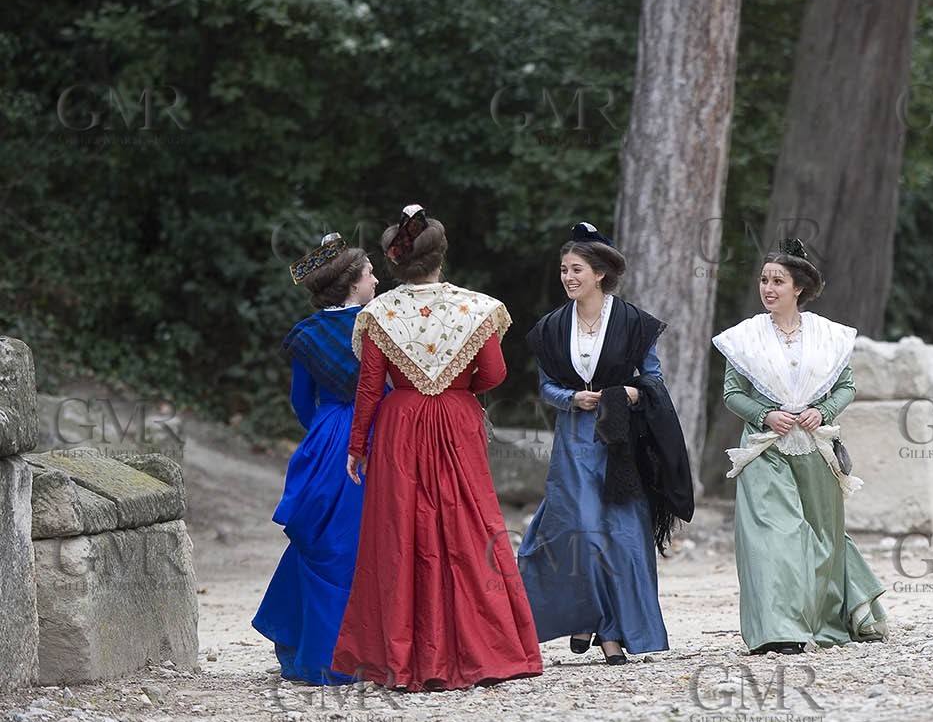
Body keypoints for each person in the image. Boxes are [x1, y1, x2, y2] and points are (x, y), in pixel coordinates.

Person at [331, 205, 543, 690]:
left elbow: (369, 387)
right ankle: (485, 650)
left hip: (400, 424)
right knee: (468, 525)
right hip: (455, 420)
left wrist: (357, 445)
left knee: (402, 531)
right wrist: (457, 383)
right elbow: (494, 375)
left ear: (394, 263)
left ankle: (403, 659)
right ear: (440, 255)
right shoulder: (478, 308)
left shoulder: (377, 313)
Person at [517, 223, 694, 666]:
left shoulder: (634, 323)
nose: (568, 277)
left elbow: (652, 378)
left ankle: (614, 633)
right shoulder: (552, 328)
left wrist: (632, 394)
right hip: (575, 443)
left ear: (599, 273)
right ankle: (588, 616)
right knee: (582, 533)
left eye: (577, 269)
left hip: (621, 443)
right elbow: (546, 388)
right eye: (563, 270)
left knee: (623, 536)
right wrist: (571, 397)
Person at [712, 239, 887, 655]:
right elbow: (731, 393)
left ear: (799, 288)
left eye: (778, 281)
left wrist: (822, 411)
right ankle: (775, 629)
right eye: (764, 280)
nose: (768, 288)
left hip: (815, 447)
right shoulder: (743, 339)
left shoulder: (830, 337)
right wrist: (764, 415)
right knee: (773, 537)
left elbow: (847, 386)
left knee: (822, 538)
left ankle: (822, 622)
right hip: (763, 448)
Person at [252, 233, 377, 685]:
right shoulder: (376, 327)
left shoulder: (306, 335)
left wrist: (326, 427)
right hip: (373, 438)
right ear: (352, 284)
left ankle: (312, 650)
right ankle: (353, 653)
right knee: (360, 544)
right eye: (369, 274)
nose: (376, 279)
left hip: (326, 440)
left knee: (323, 542)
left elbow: (301, 402)